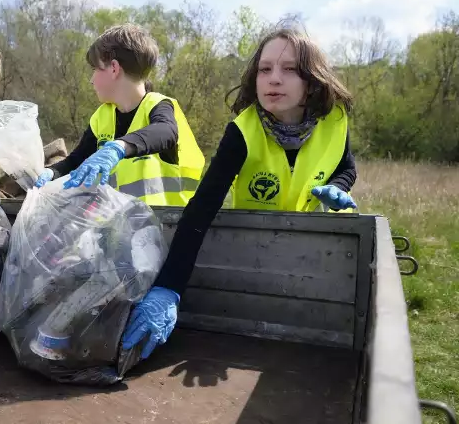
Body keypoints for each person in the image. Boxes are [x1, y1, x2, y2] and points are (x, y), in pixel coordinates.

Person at [121, 27, 358, 359]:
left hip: (312, 255)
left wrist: (336, 188)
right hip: (256, 257)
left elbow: (345, 167)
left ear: (312, 81)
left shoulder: (335, 121)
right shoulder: (242, 132)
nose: (273, 79)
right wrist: (168, 287)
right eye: (265, 69)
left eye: (289, 69)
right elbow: (201, 209)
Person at [34, 24, 205, 207]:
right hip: (122, 229)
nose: (91, 80)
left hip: (168, 227)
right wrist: (52, 173)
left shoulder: (158, 105)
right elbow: (77, 160)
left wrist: (119, 146)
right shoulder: (103, 116)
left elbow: (166, 131)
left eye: (95, 69)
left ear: (114, 68)